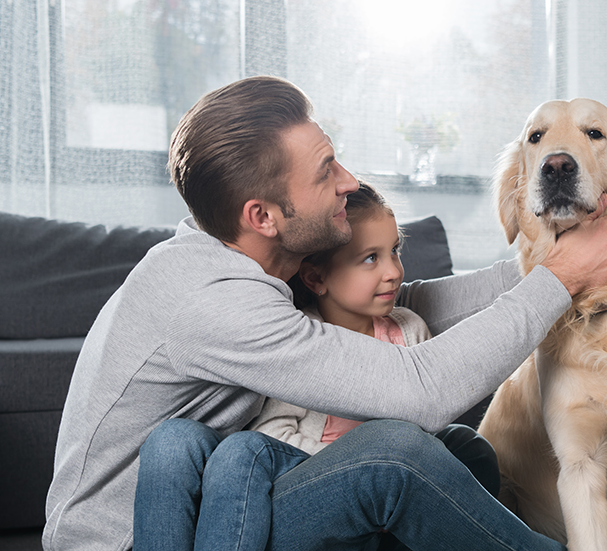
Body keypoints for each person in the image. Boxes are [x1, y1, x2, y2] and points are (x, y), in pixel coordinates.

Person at [43, 75, 607, 551]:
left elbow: (406, 304)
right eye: (326, 170)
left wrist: (554, 261)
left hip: (227, 495)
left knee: (461, 447)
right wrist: (561, 279)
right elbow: (421, 389)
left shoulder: (253, 260)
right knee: (393, 454)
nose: (349, 182)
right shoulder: (213, 300)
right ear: (262, 216)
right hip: (154, 535)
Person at [133, 180, 499, 551]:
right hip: (309, 471)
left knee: (469, 444)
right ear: (316, 278)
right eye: (371, 258)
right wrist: (352, 463)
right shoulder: (300, 337)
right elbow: (274, 431)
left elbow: (424, 424)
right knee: (235, 449)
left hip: (384, 480)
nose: (393, 271)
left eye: (395, 251)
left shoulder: (408, 329)